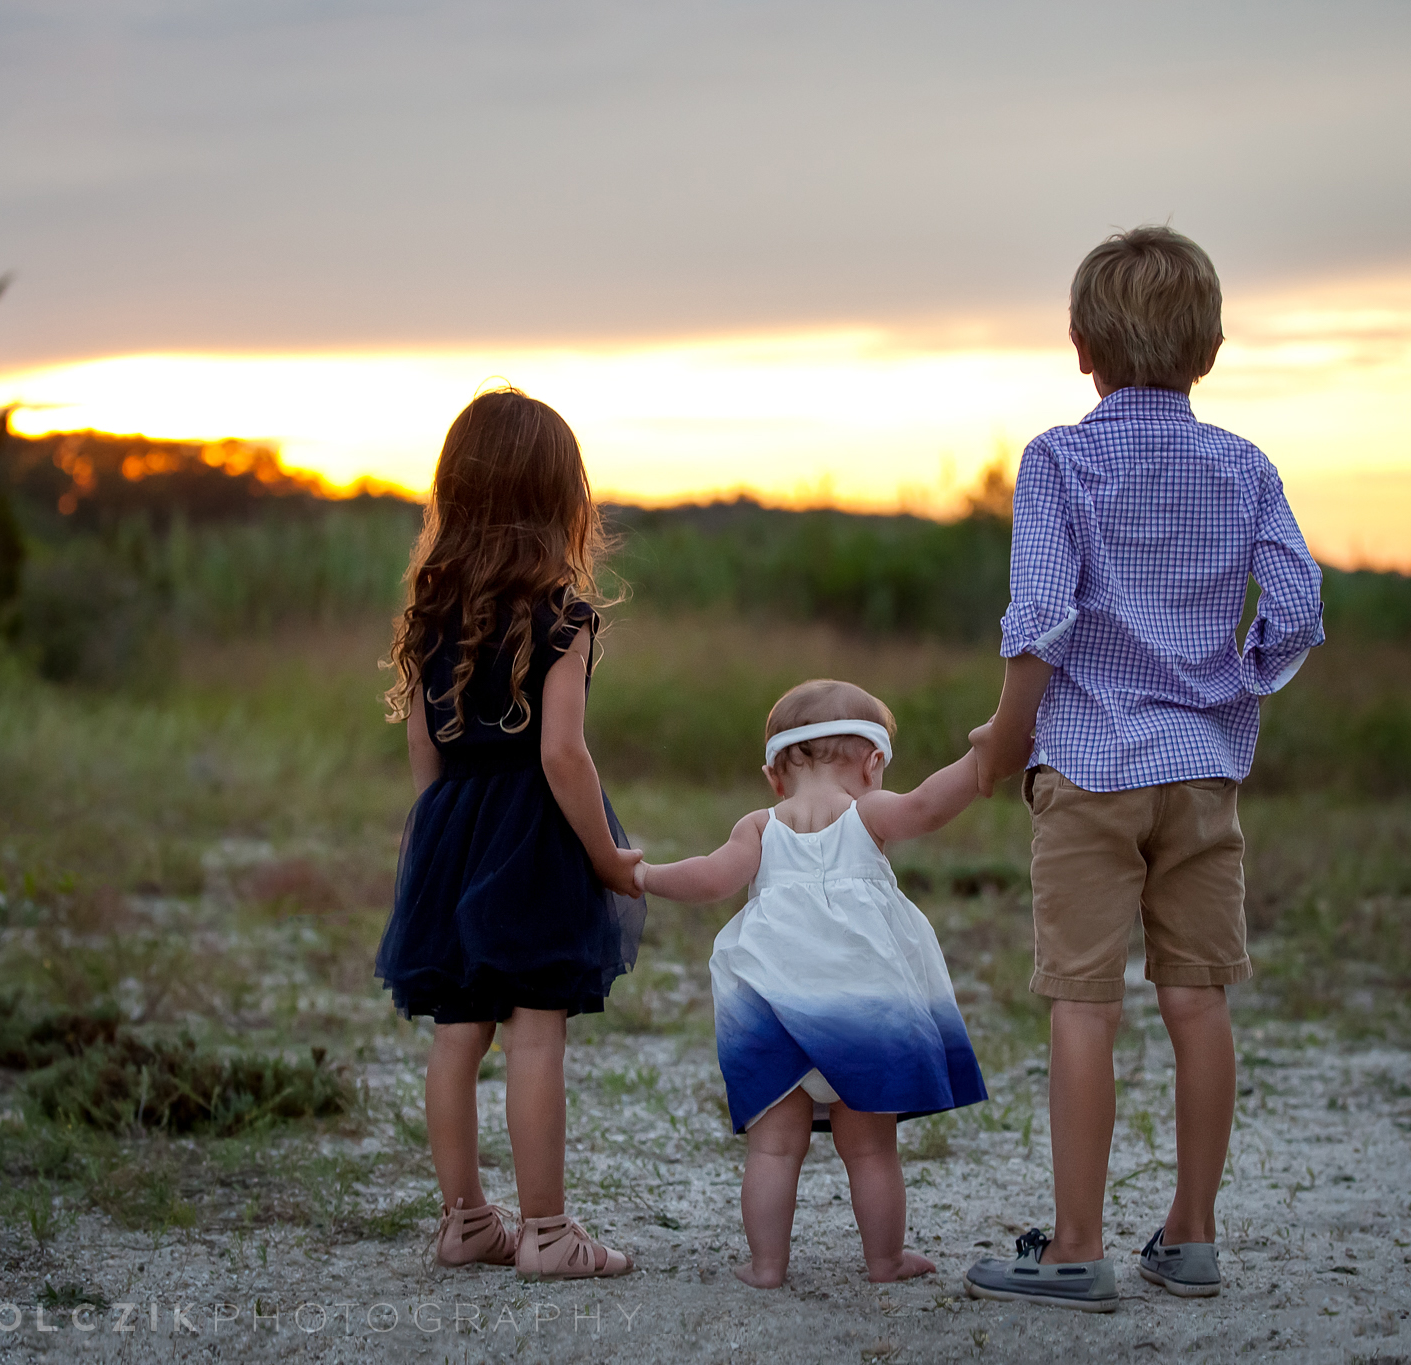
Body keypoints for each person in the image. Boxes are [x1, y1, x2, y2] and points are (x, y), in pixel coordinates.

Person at [963, 226, 1325, 1310]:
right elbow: (1299, 605)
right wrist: (1231, 682)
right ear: (1207, 348)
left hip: (1086, 767)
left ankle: (1075, 1247)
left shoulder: (1059, 461)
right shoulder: (1243, 465)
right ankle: (1191, 1237)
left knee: (1083, 1004)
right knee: (1196, 999)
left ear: (1081, 346)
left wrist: (1002, 738)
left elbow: (1040, 622)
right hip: (1200, 773)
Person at [377, 387, 647, 1281]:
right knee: (536, 1030)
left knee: (459, 1032)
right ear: (560, 500)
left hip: (452, 829)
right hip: (534, 838)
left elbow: (426, 748)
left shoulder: (432, 613)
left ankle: (463, 1221)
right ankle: (548, 1232)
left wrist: (436, 847)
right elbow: (563, 754)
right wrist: (606, 857)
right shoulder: (561, 616)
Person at [637, 680, 988, 1288]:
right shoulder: (867, 813)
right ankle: (885, 1260)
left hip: (775, 1014)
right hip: (864, 1018)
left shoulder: (760, 827)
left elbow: (708, 879)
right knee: (872, 1151)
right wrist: (982, 759)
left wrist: (643, 873)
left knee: (773, 1151)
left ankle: (767, 1265)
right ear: (873, 764)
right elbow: (930, 805)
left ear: (775, 776)